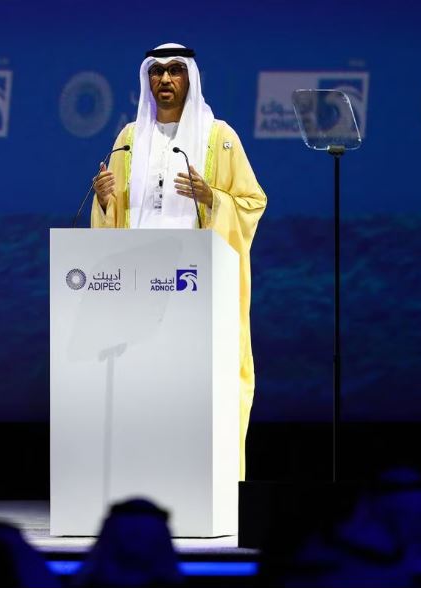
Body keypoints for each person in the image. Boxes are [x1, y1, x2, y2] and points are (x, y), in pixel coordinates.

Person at [91, 42, 267, 479]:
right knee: (143, 391)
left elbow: (251, 203)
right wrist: (104, 198)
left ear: (190, 78)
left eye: (174, 71)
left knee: (195, 392)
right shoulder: (129, 139)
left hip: (194, 287)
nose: (165, 80)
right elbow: (115, 217)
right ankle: (140, 479)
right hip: (138, 286)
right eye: (157, 72)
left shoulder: (220, 138)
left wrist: (214, 199)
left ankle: (202, 483)